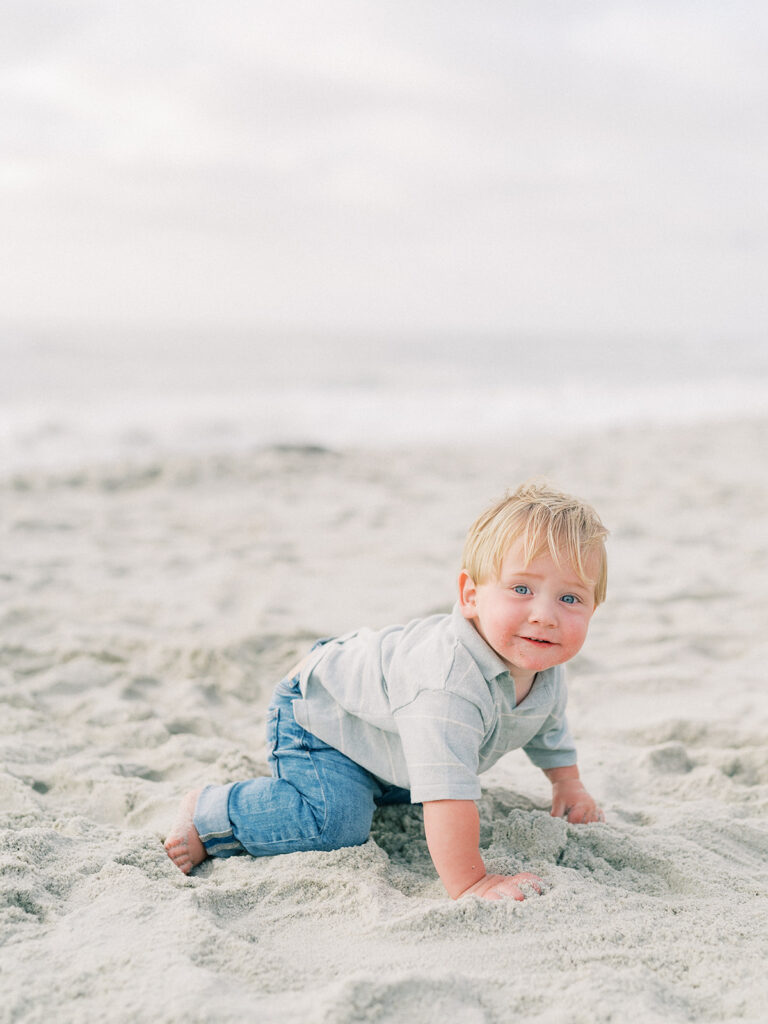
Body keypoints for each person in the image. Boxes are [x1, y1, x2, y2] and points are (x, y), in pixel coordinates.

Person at [164, 480, 608, 901]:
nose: (545, 616)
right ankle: (210, 811)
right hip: (323, 716)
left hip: (386, 725)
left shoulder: (542, 662)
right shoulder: (448, 681)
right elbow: (445, 791)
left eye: (570, 599)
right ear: (470, 596)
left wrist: (567, 784)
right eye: (521, 589)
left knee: (423, 771)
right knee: (334, 826)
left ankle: (375, 781)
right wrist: (473, 882)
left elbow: (548, 724)